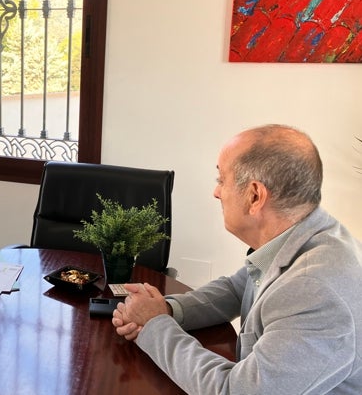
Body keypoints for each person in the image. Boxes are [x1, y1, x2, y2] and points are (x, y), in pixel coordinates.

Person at [112, 124, 362, 394]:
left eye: (221, 180)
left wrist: (154, 325)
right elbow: (235, 288)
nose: (216, 192)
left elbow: (234, 391)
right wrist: (167, 310)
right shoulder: (305, 234)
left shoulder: (313, 289)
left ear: (255, 196)